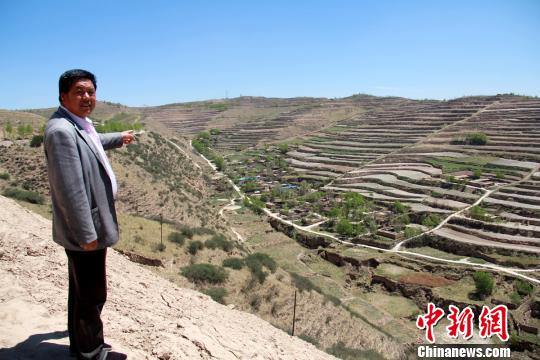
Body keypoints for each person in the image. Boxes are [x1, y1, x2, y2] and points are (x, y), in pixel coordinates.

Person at [44, 69, 134, 360]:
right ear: (63, 96)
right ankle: (91, 351)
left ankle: (81, 345)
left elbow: (91, 141)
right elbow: (71, 192)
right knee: (92, 294)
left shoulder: (75, 125)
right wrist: (86, 235)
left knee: (81, 290)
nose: (87, 97)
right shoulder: (60, 131)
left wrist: (119, 138)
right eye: (79, 92)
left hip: (89, 228)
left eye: (90, 92)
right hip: (86, 231)